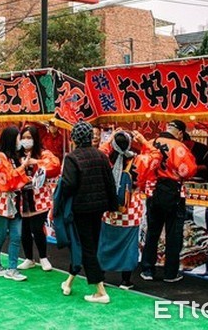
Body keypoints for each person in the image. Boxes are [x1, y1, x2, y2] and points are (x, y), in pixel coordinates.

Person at [59, 121, 118, 304]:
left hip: (80, 209)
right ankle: (68, 281)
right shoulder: (101, 155)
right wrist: (113, 207)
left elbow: (68, 185)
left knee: (86, 248)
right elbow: (110, 183)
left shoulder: (72, 158)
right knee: (88, 245)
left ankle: (101, 291)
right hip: (98, 208)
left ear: (74, 138)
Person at [134, 121, 197, 283]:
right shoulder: (179, 147)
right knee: (173, 234)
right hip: (174, 193)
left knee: (152, 232)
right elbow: (189, 170)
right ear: (180, 133)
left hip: (153, 192)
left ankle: (147, 270)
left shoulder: (151, 144)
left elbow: (143, 166)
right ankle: (170, 273)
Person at [0, 126, 36, 282]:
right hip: (1, 202)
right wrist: (23, 167)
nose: (20, 141)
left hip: (15, 201)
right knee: (0, 235)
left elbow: (17, 179)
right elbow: (7, 180)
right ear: (11, 139)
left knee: (16, 236)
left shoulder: (12, 157)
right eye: (18, 138)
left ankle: (12, 269)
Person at [98, 130, 141, 290]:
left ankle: (101, 275)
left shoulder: (105, 159)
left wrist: (109, 139)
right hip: (130, 209)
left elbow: (101, 150)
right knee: (128, 245)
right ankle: (126, 281)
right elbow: (154, 158)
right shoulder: (138, 160)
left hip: (109, 209)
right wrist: (144, 141)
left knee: (106, 242)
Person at [16, 125, 61, 272]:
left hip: (39, 196)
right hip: (22, 197)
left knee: (37, 228)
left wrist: (36, 162)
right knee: (24, 229)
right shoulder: (17, 155)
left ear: (35, 139)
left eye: (29, 137)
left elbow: (55, 166)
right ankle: (29, 258)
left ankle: (43, 257)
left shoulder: (43, 153)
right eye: (24, 137)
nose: (26, 140)